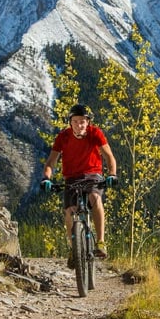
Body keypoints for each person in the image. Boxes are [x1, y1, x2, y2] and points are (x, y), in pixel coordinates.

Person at [40, 104, 117, 267]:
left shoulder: (95, 133)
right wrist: (47, 178)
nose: (79, 125)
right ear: (70, 122)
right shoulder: (63, 137)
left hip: (93, 175)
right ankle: (73, 249)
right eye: (75, 121)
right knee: (69, 211)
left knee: (95, 197)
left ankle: (101, 242)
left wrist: (112, 174)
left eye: (82, 122)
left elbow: (109, 156)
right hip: (71, 178)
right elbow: (51, 162)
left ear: (88, 122)